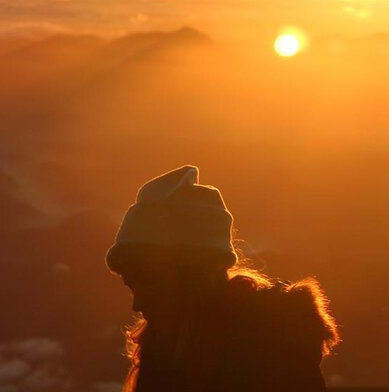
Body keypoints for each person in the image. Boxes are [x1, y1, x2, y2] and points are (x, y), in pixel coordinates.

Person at [106, 165, 339, 391]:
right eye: (131, 286)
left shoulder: (272, 352)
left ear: (197, 274)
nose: (138, 304)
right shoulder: (164, 347)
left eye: (151, 282)